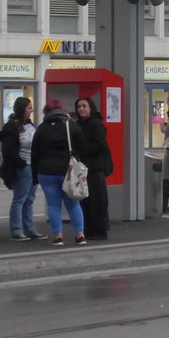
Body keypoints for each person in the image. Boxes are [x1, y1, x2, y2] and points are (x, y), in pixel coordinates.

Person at [30, 100, 89, 246]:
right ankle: (80, 235)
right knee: (73, 204)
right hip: (67, 171)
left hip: (46, 172)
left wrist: (35, 176)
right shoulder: (71, 126)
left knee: (53, 205)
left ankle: (58, 236)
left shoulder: (42, 128)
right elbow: (83, 148)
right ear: (62, 110)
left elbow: (34, 154)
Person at [0, 97, 45, 241]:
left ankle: (30, 229)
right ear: (22, 109)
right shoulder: (11, 127)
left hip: (33, 166)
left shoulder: (29, 125)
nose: (32, 110)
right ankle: (16, 230)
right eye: (29, 108)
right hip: (23, 167)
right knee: (20, 199)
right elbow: (8, 151)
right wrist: (22, 163)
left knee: (29, 199)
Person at [75, 96, 112, 240]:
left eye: (84, 106)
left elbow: (99, 145)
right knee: (85, 199)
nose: (81, 109)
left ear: (90, 108)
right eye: (79, 107)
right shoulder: (77, 125)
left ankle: (100, 229)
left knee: (98, 199)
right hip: (82, 166)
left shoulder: (96, 124)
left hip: (95, 167)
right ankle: (88, 228)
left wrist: (83, 150)